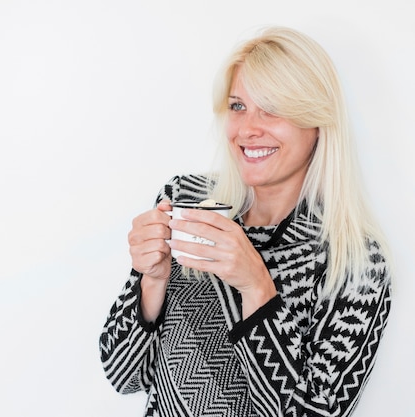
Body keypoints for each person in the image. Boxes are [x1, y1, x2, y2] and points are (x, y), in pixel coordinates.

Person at [99, 26, 392, 417]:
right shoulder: (187, 203)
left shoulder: (355, 264)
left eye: (272, 108)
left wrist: (256, 287)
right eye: (238, 106)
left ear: (317, 122)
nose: (248, 129)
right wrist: (152, 280)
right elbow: (124, 375)